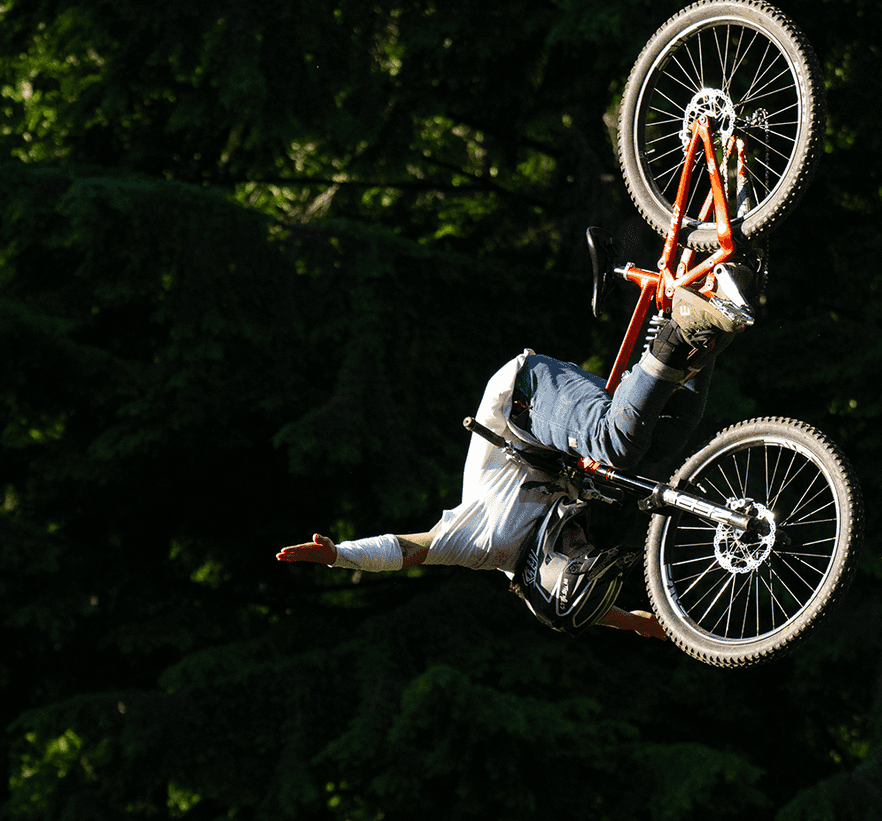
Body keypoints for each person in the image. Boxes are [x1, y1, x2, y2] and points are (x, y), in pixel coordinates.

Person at [276, 273, 755, 639]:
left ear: (546, 568)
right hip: (557, 430)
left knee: (619, 447)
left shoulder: (485, 544)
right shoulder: (550, 582)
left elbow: (409, 551)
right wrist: (654, 627)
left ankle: (679, 330)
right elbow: (603, 614)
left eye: (575, 553)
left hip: (524, 397)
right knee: (666, 440)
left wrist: (339, 555)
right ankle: (710, 308)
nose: (582, 541)